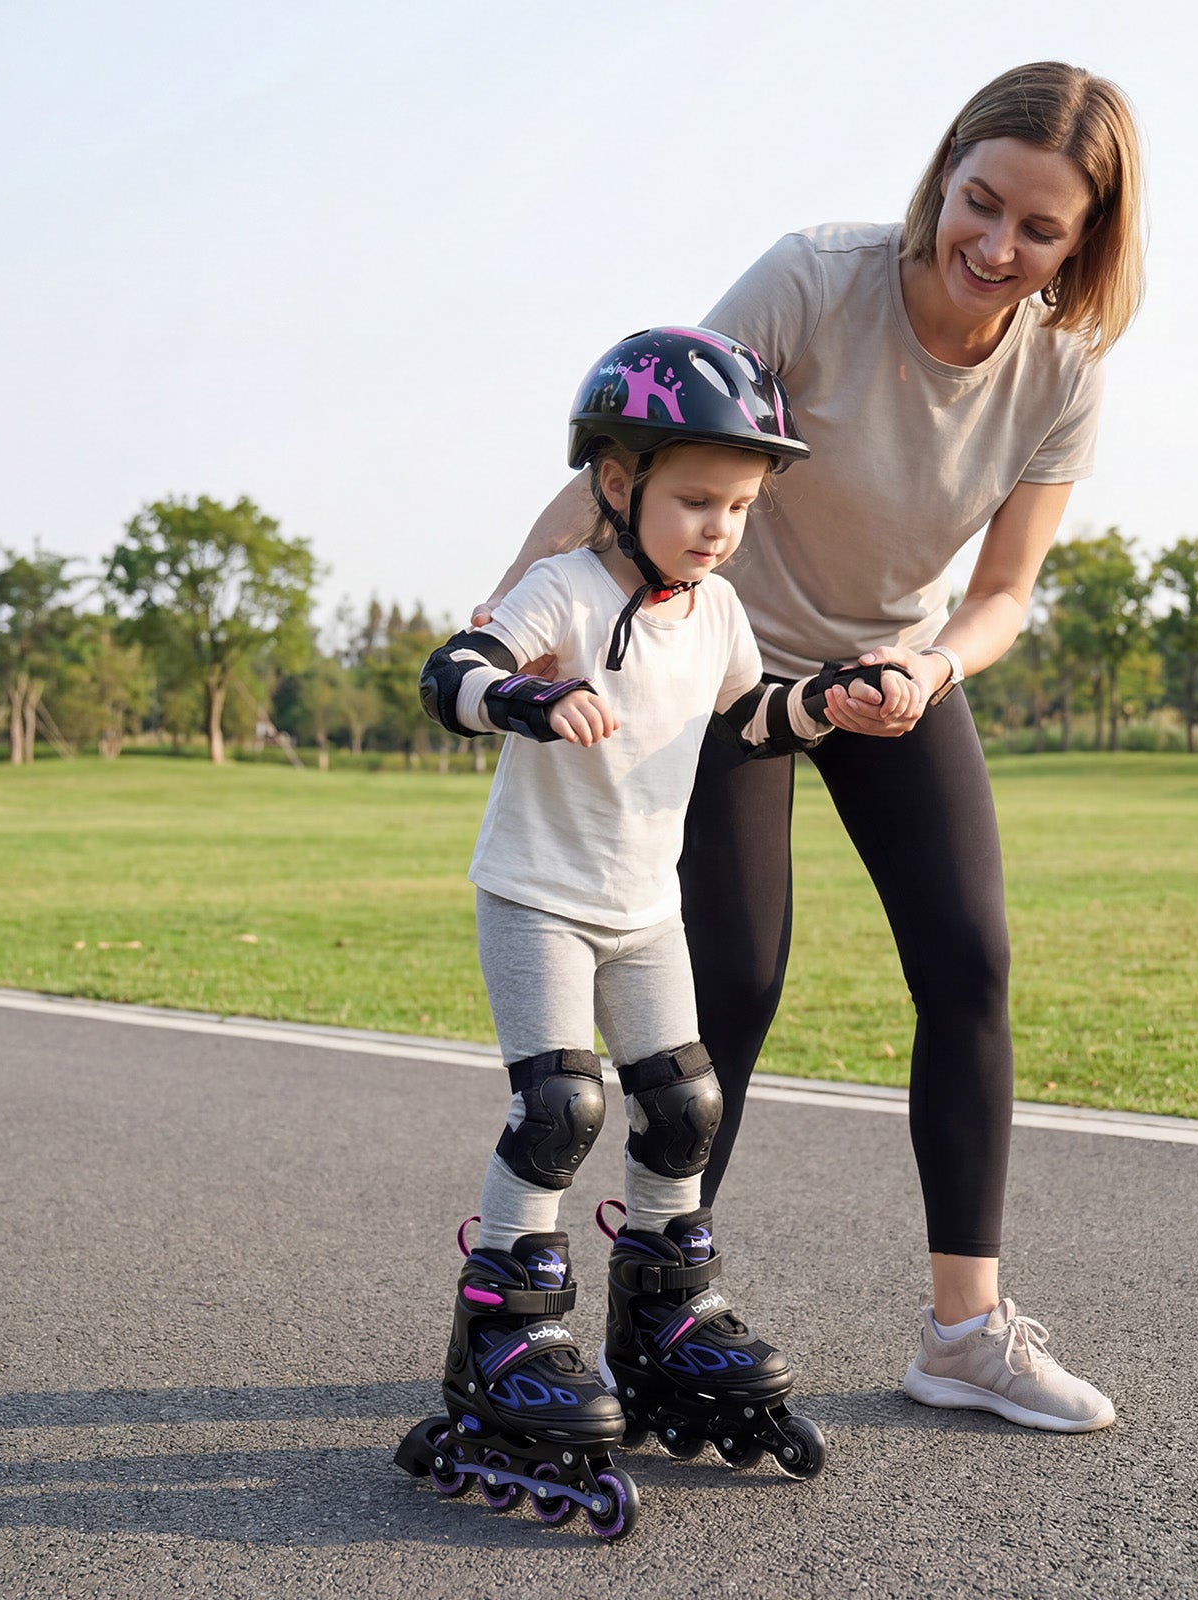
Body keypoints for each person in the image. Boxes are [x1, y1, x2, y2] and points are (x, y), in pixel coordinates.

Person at [471, 63, 1147, 1434]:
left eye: (1040, 230)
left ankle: (964, 1331)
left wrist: (931, 665)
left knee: (969, 958)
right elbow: (634, 446)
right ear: (946, 167)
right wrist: (503, 633)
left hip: (895, 667)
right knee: (732, 977)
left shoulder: (1064, 371)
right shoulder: (816, 279)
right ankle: (642, 1319)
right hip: (722, 663)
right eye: (980, 203)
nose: (996, 247)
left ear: (1086, 241)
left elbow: (1007, 588)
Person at [396, 327, 900, 1527]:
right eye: (693, 499)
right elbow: (451, 670)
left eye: (738, 504)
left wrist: (830, 698)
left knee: (683, 1105)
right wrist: (530, 689)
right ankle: (504, 1333)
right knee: (562, 1107)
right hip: (538, 898)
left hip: (643, 911)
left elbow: (754, 720)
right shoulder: (565, 589)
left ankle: (663, 1313)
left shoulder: (716, 613)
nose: (718, 526)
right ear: (617, 485)